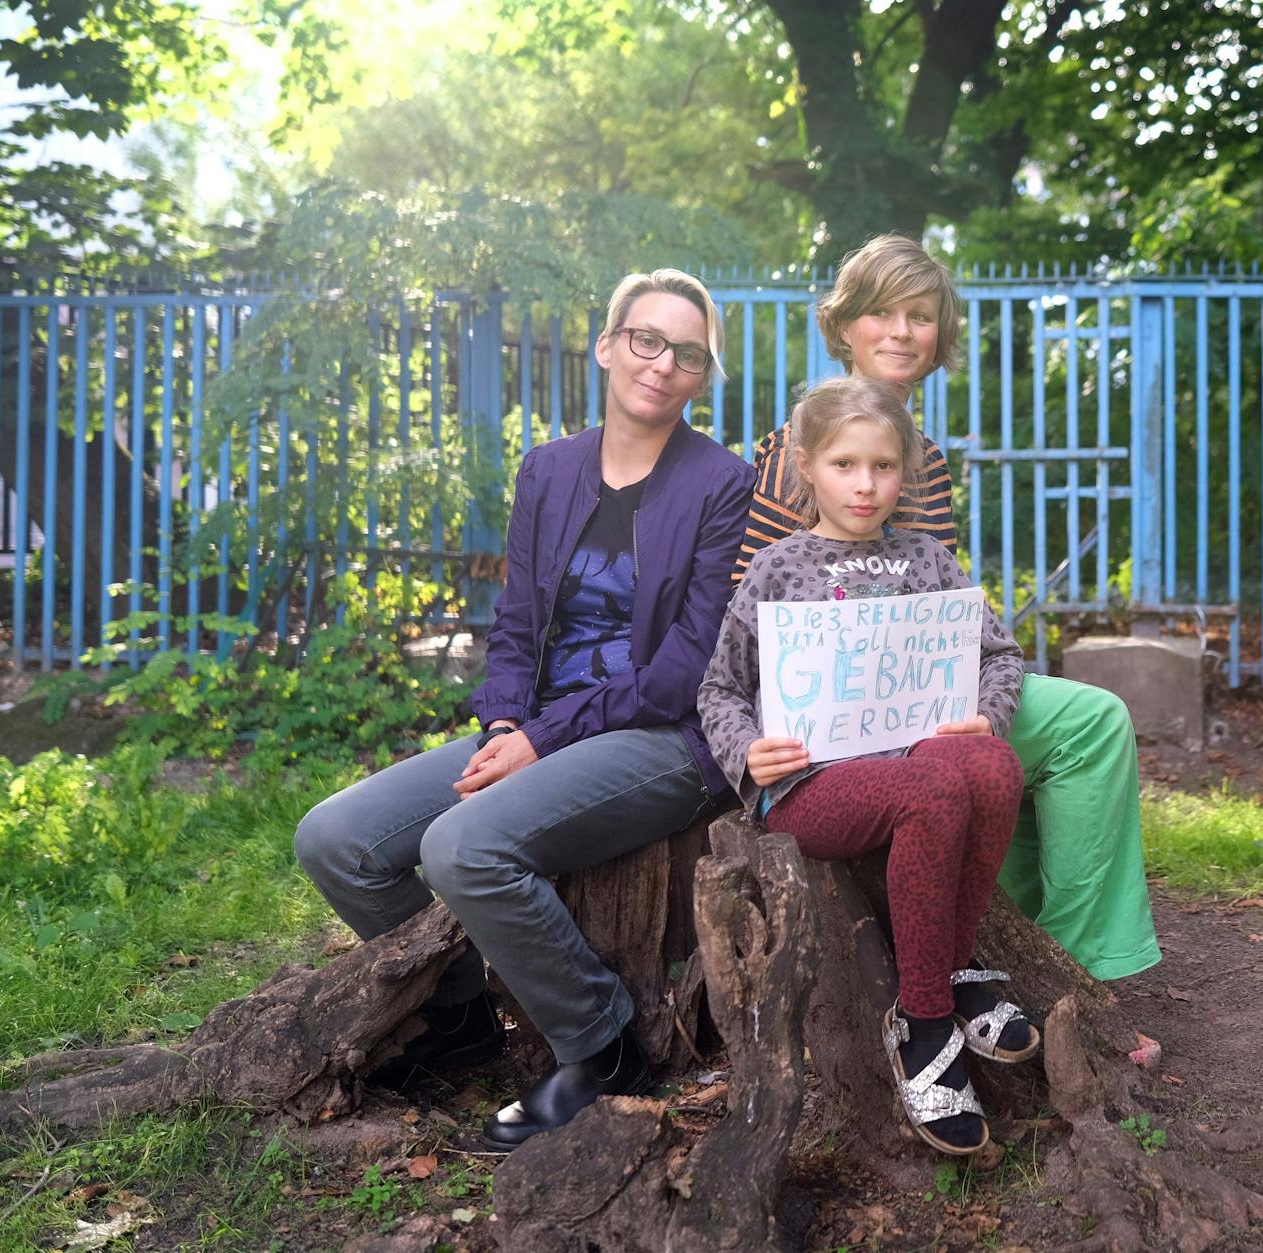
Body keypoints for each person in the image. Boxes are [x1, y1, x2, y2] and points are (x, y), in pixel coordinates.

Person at [293, 269, 754, 1149]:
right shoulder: (548, 470)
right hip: (540, 725)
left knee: (464, 845)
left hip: (661, 739)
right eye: (647, 340)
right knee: (336, 840)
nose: (662, 364)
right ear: (609, 343)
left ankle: (603, 1045)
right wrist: (507, 721)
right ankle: (456, 1019)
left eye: (687, 353)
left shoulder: (720, 484)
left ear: (700, 376)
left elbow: (681, 671)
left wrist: (540, 736)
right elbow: (514, 625)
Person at [732, 234, 1162, 982]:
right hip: (833, 730)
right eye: (881, 313)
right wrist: (753, 741)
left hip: (928, 698)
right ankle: (1063, 962)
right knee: (1086, 727)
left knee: (1081, 726)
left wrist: (985, 708)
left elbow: (955, 617)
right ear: (843, 327)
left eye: (921, 315)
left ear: (941, 336)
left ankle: (1062, 964)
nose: (902, 331)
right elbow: (747, 618)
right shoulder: (796, 447)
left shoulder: (925, 457)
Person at [700, 375, 1033, 1157]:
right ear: (807, 468)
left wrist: (986, 715)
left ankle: (948, 968)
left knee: (988, 766)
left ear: (905, 472)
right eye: (846, 464)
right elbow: (718, 687)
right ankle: (920, 1025)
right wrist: (749, 753)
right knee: (933, 784)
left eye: (883, 466)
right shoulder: (778, 569)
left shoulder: (927, 560)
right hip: (811, 786)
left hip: (918, 762)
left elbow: (1001, 654)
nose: (865, 483)